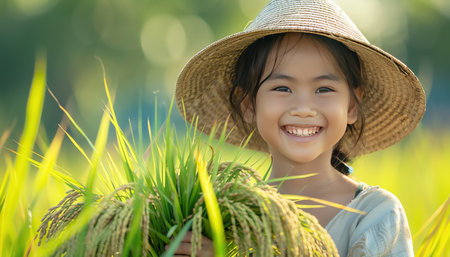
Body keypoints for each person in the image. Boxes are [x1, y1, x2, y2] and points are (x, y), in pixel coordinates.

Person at [172, 0, 426, 256]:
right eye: (282, 88)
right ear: (249, 104)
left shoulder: (376, 213)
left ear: (351, 105)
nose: (303, 108)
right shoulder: (224, 216)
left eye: (324, 89)